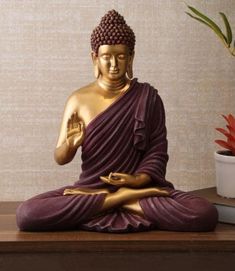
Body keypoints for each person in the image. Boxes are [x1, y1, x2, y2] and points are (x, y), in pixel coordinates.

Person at [16, 10, 218, 233]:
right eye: (106, 56)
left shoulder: (147, 98)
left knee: (203, 212)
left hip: (135, 190)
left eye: (121, 56)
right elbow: (60, 157)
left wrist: (137, 181)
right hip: (90, 188)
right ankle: (121, 200)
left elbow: (157, 152)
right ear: (95, 57)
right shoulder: (78, 100)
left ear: (131, 57)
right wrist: (71, 145)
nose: (113, 63)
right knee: (28, 213)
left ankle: (119, 200)